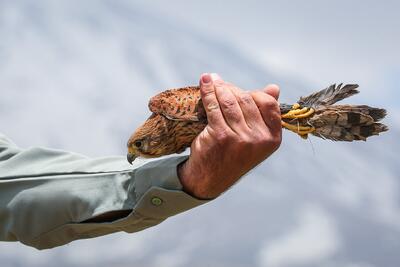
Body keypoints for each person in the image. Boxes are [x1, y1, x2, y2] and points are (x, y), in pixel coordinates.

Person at [0, 73, 282, 250]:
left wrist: (183, 180)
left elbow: (15, 181)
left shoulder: (161, 107)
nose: (134, 154)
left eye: (137, 146)